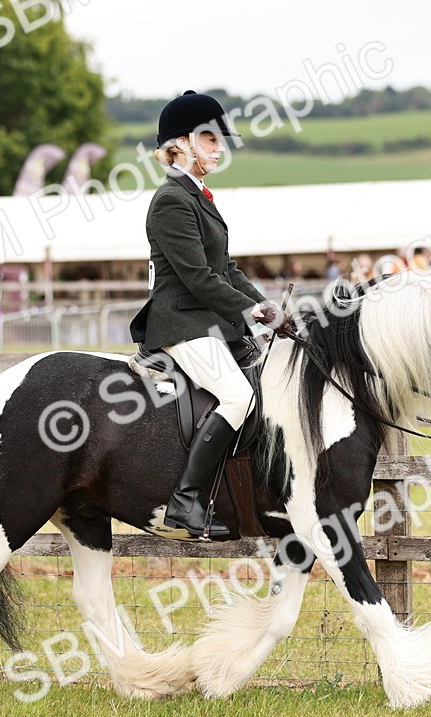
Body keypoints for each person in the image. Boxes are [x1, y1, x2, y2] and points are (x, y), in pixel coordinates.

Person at [129, 90, 285, 541]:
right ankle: (184, 504)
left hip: (211, 323)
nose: (219, 148)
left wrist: (265, 304)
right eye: (210, 138)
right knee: (237, 396)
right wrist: (250, 309)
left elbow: (227, 268)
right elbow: (198, 278)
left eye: (220, 139)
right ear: (181, 143)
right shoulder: (171, 200)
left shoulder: (198, 196)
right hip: (182, 322)